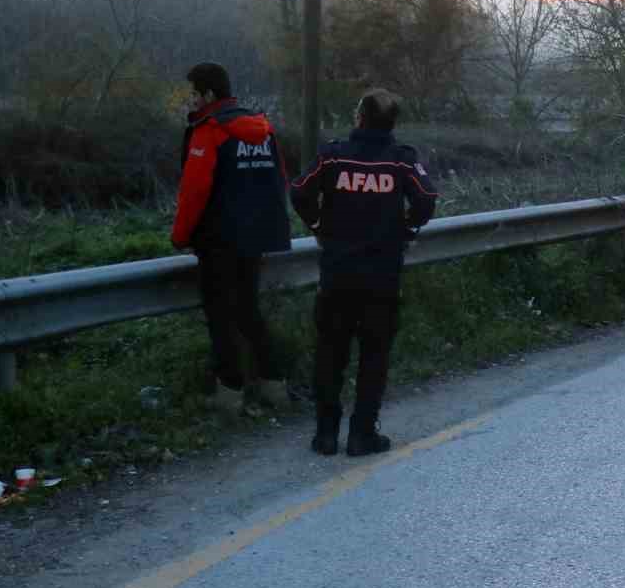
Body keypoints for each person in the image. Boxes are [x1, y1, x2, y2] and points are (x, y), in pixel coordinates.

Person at [290, 88, 439, 457]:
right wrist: (406, 229)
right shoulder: (402, 161)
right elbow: (427, 198)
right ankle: (362, 435)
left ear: (359, 117)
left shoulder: (332, 156)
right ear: (393, 123)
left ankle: (325, 435)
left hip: (337, 275)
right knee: (374, 356)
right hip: (382, 277)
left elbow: (299, 191)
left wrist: (318, 224)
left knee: (330, 354)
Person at [171, 62, 293, 414]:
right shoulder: (263, 129)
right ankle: (274, 386)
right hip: (256, 236)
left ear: (209, 94)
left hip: (219, 239)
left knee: (220, 313)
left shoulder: (209, 131)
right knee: (248, 310)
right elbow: (280, 180)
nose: (190, 101)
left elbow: (194, 192)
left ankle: (229, 393)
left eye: (194, 93)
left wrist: (180, 237)